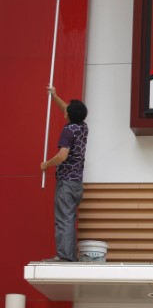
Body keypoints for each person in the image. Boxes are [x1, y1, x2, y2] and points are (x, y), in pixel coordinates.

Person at [40, 86, 89, 262]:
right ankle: (69, 257)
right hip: (76, 184)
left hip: (66, 183)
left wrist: (46, 164)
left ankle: (65, 257)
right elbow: (67, 110)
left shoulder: (68, 131)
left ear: (69, 115)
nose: (65, 108)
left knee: (63, 220)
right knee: (69, 219)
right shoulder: (82, 127)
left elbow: (62, 155)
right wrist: (55, 96)